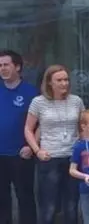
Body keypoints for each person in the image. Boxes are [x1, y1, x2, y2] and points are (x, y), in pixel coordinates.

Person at [24, 64, 84, 224]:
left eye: (66, 80)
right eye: (59, 80)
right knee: (48, 207)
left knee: (71, 206)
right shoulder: (38, 102)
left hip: (72, 159)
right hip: (49, 159)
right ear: (49, 82)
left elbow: (83, 126)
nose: (64, 83)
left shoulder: (76, 101)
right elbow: (29, 129)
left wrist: (82, 147)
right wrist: (37, 151)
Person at [0, 50, 38, 224]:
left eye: (6, 65)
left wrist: (31, 146)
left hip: (22, 154)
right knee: (2, 200)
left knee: (25, 197)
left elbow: (40, 124)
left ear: (17, 67)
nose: (2, 69)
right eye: (0, 66)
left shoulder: (31, 92)